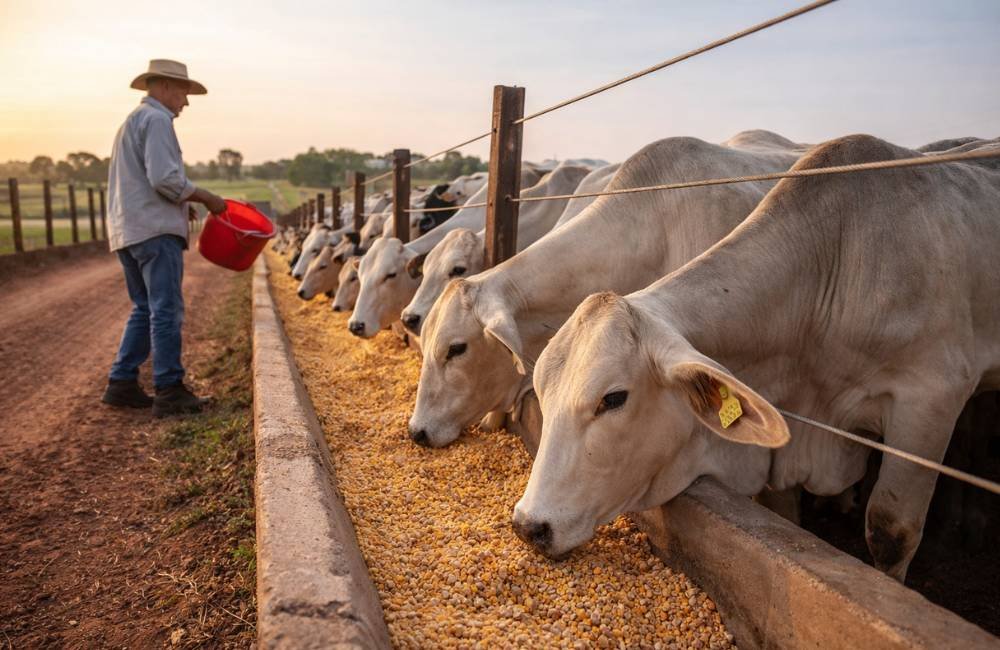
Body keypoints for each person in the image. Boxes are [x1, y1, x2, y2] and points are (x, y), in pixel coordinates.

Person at [101, 59, 226, 417]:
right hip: (154, 232)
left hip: (129, 230)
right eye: (184, 93)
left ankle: (122, 382)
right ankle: (169, 389)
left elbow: (144, 181)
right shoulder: (157, 120)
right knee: (166, 309)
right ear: (166, 86)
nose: (185, 102)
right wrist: (206, 197)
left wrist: (180, 204)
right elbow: (164, 179)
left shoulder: (132, 121)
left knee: (144, 307)